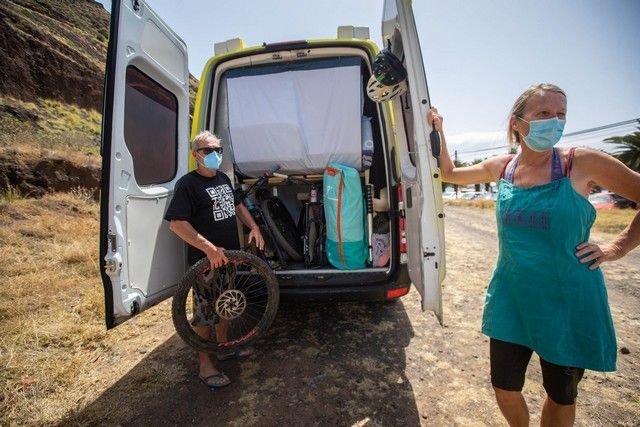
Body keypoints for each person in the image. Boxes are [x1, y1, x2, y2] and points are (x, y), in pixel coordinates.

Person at [428, 83, 640, 426]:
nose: (553, 122)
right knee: (504, 388)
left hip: (568, 302)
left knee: (560, 394)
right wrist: (438, 131)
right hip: (513, 298)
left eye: (560, 115)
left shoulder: (582, 163)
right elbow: (449, 174)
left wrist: (617, 247)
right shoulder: (503, 167)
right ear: (517, 123)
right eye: (543, 114)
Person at [165, 131, 265, 389]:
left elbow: (237, 205)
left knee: (227, 305)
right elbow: (176, 224)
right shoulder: (188, 185)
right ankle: (205, 366)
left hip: (229, 258)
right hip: (205, 263)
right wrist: (208, 248)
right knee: (205, 315)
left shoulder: (222, 178)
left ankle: (223, 348)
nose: (215, 155)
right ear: (196, 154)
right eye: (208, 150)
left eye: (218, 150)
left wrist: (253, 227)